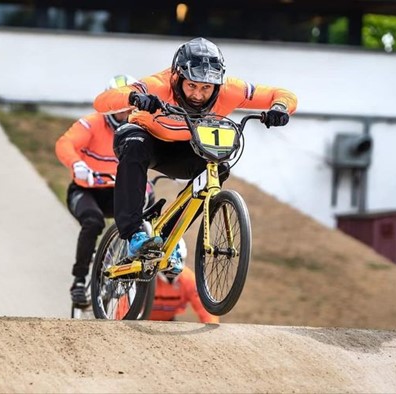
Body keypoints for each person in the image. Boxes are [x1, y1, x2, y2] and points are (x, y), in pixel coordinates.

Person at [93, 37, 298, 278]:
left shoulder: (231, 90)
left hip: (184, 151)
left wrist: (280, 108)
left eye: (206, 88)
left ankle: (168, 239)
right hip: (146, 142)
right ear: (177, 77)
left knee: (219, 167)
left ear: (217, 85)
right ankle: (134, 233)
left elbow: (281, 93)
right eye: (191, 85)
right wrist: (134, 98)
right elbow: (101, 102)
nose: (198, 95)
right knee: (135, 144)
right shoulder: (158, 84)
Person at [56, 74, 144, 305]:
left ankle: (130, 263)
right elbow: (65, 143)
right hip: (86, 191)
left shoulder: (140, 126)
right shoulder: (92, 123)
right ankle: (78, 280)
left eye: (128, 109)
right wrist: (77, 164)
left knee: (144, 213)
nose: (124, 114)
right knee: (93, 221)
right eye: (119, 109)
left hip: (117, 192)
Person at [149, 239, 219, 324]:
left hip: (168, 322)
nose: (171, 269)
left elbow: (206, 310)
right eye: (168, 264)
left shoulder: (189, 279)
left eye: (177, 262)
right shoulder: (145, 278)